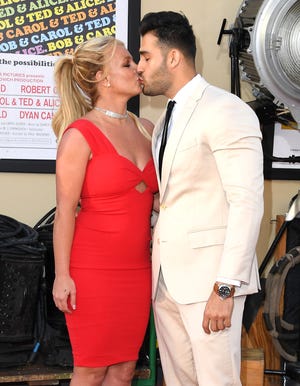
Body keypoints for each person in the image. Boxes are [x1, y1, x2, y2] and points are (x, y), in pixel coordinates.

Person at [137, 11, 264, 386]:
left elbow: (247, 203)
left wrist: (225, 288)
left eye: (146, 56)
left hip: (212, 284)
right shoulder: (164, 121)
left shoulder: (226, 110)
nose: (140, 67)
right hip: (166, 281)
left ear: (173, 57)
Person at [51, 36, 158, 386]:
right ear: (102, 78)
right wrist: (62, 275)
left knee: (124, 372)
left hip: (138, 270)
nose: (138, 69)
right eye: (127, 63)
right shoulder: (80, 135)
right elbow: (65, 212)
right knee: (91, 370)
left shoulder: (147, 129)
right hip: (91, 271)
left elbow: (156, 199)